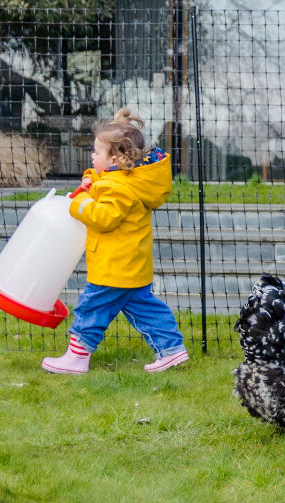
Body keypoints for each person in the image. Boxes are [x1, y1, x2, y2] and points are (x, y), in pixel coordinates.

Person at [41, 108, 188, 375]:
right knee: (146, 309)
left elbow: (104, 216)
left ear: (115, 159)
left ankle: (76, 357)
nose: (92, 156)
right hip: (131, 266)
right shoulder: (127, 180)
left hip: (113, 268)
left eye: (96, 152)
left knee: (91, 307)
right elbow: (104, 181)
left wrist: (81, 202)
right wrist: (91, 178)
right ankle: (171, 350)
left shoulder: (117, 187)